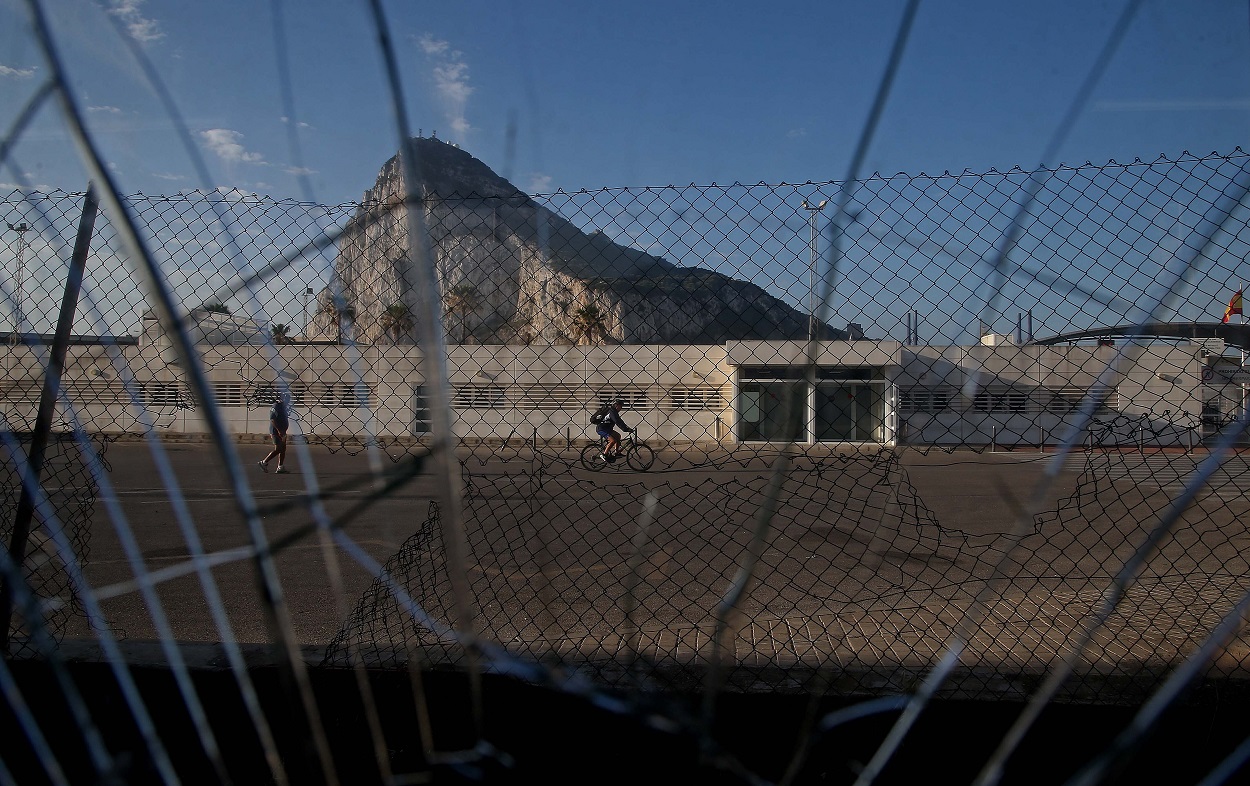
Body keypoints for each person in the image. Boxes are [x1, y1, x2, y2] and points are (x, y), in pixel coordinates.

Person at [258, 394, 290, 473]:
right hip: (276, 431)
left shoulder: (284, 407)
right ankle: (264, 462)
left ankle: (280, 466)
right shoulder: (276, 406)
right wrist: (279, 430)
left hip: (283, 431)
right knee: (278, 448)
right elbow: (273, 419)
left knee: (283, 449)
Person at [596, 398, 634, 462]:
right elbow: (617, 421)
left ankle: (617, 452)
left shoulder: (615, 412)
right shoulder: (612, 412)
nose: (621, 408)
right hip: (602, 429)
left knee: (618, 436)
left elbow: (620, 421)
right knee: (612, 441)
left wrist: (627, 428)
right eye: (620, 406)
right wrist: (625, 429)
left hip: (608, 429)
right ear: (616, 405)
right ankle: (604, 454)